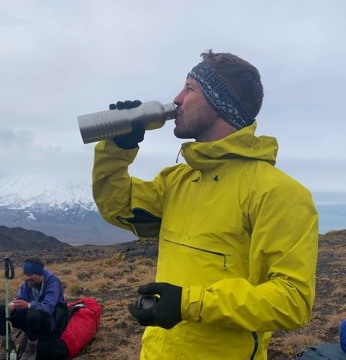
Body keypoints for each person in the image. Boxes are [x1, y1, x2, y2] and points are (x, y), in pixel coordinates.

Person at [92, 50, 319, 359]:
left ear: (218, 102)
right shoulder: (177, 181)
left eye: (190, 88)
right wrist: (119, 147)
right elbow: (117, 208)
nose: (177, 98)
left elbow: (293, 301)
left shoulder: (279, 194)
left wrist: (189, 304)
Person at [0, 257, 66, 360]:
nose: (27, 278)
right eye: (25, 274)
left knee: (33, 313)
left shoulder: (53, 282)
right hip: (31, 321)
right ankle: (8, 349)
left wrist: (28, 305)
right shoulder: (28, 283)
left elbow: (49, 307)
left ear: (39, 274)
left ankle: (31, 351)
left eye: (30, 275)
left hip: (49, 322)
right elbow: (20, 298)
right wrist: (12, 305)